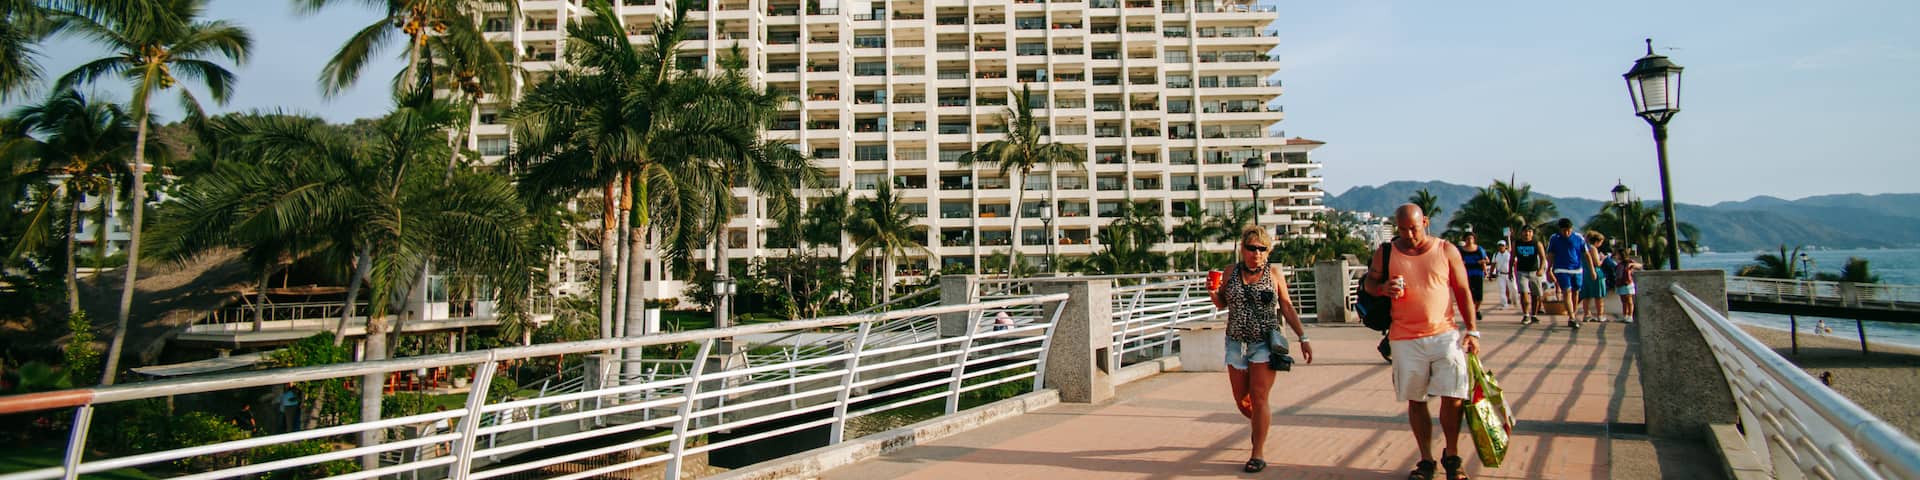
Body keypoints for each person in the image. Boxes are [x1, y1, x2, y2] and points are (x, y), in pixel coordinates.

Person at [1362, 204, 1480, 480]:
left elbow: (1463, 290)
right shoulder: (1387, 251)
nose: (1409, 235)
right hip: (1404, 338)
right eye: (1402, 229)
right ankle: (1426, 459)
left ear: (1425, 221)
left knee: (1454, 396)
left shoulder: (1446, 249)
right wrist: (1381, 289)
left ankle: (1452, 455)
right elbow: (1369, 283)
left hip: (1444, 334)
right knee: (1416, 400)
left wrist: (1472, 331)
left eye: (1413, 228)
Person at [1208, 225, 1312, 473]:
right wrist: (1213, 293)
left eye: (1261, 249)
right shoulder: (1231, 272)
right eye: (1251, 248)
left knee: (1259, 396)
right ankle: (1260, 424)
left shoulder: (1274, 274)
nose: (1256, 252)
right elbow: (1222, 303)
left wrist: (1303, 337)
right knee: (1242, 400)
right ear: (1242, 249)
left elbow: (1286, 306)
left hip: (1264, 343)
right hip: (1235, 342)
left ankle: (1258, 452)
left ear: (1268, 251)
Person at [1543, 219, 1597, 330]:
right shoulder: (1554, 238)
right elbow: (1550, 254)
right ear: (1560, 229)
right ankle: (1572, 317)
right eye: (1563, 231)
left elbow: (1586, 254)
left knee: (1576, 292)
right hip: (1561, 269)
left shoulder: (1578, 238)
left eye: (1568, 230)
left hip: (1577, 269)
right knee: (1566, 291)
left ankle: (1573, 313)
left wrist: (1592, 270)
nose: (1566, 233)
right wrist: (1549, 270)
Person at [1512, 226, 1547, 324]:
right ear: (1521, 233)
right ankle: (1526, 315)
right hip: (1521, 271)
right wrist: (1510, 271)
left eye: (1529, 231)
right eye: (1525, 231)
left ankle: (1534, 315)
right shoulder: (1517, 243)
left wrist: (1541, 269)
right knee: (1524, 293)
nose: (1527, 234)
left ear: (1532, 233)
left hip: (1534, 271)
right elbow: (1512, 257)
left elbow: (1543, 258)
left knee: (1536, 294)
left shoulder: (1537, 243)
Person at [1580, 232, 1610, 323]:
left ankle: (1586, 315)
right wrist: (1603, 258)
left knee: (1586, 296)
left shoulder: (1583, 248)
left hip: (1585, 273)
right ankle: (1600, 315)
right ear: (1597, 241)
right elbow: (1597, 263)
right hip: (1595, 272)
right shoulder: (1593, 249)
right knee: (1599, 295)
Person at [1458, 235, 1490, 318]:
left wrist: (1482, 263)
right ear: (1465, 240)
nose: (1469, 240)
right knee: (1469, 295)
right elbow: (1456, 261)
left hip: (1478, 274)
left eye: (1471, 238)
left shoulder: (1479, 249)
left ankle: (1476, 310)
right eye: (1467, 238)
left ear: (1474, 240)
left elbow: (1487, 260)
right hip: (1466, 275)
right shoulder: (1461, 251)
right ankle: (1471, 311)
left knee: (1479, 296)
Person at [1614, 249, 1639, 322]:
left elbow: (1639, 266)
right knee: (1623, 301)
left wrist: (1632, 265)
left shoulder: (1628, 262)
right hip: (1620, 283)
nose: (1616, 256)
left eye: (1617, 254)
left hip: (1627, 283)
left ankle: (1630, 316)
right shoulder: (1619, 263)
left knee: (1629, 300)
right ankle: (1625, 316)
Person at [1491, 241, 1514, 310]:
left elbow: (1514, 263)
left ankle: (1514, 300)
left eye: (1502, 245)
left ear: (1505, 246)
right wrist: (1490, 274)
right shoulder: (1496, 254)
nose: (1501, 247)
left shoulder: (1509, 254)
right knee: (1502, 290)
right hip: (1501, 275)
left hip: (1509, 274)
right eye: (1499, 245)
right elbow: (1493, 264)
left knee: (1513, 288)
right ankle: (1504, 304)